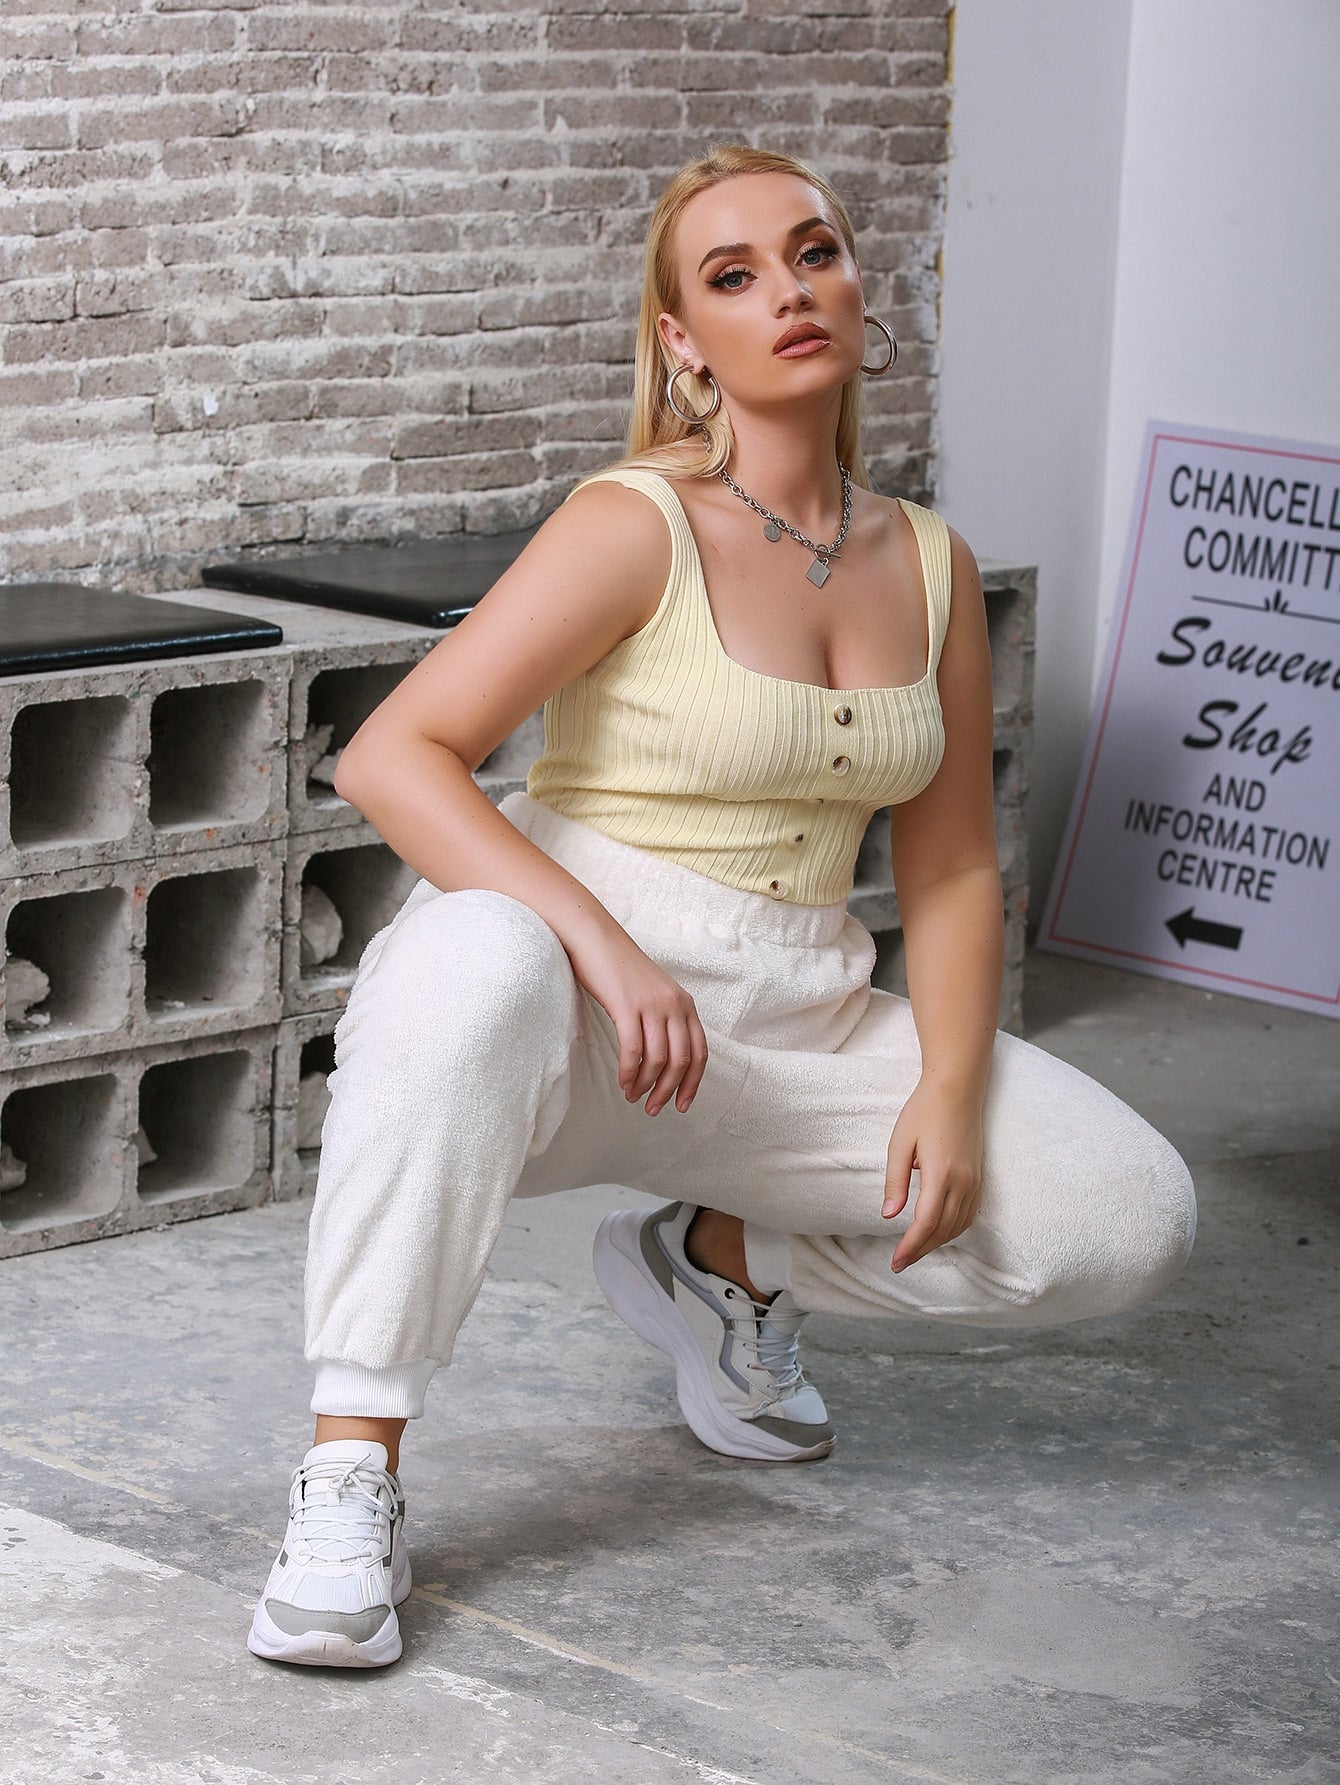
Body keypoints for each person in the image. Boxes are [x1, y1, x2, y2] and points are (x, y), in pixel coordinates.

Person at [246, 145, 1196, 1669]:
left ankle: (723, 1260)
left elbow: (953, 866)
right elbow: (392, 755)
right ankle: (353, 1465)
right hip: (571, 1000)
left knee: (1125, 1212)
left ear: (861, 289)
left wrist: (949, 1086)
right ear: (684, 341)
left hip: (793, 1015)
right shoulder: (636, 522)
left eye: (814, 252)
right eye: (735, 275)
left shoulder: (932, 564)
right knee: (471, 955)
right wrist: (607, 949)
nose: (790, 292)